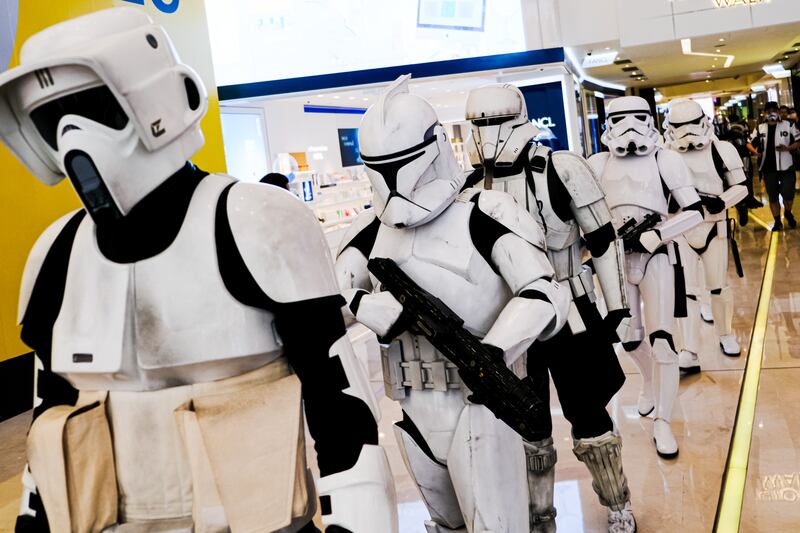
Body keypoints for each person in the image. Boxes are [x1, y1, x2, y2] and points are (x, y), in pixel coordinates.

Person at [1, 9, 397, 532]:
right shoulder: (56, 253)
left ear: (172, 100)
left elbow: (343, 418)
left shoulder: (256, 224)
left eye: (94, 108)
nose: (75, 138)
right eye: (52, 121)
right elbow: (49, 427)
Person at [335, 75, 570, 533]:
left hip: (482, 404)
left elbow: (544, 292)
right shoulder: (368, 234)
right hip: (412, 409)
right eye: (379, 167)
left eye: (402, 164)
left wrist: (494, 353)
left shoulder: (486, 213)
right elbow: (321, 312)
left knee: (497, 526)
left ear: (437, 146)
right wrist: (361, 304)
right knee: (445, 524)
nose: (394, 181)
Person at [464, 83, 635, 533]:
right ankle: (539, 516)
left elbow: (601, 237)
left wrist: (615, 306)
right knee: (527, 425)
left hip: (570, 311)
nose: (487, 133)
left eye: (495, 121)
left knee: (590, 417)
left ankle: (617, 503)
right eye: (478, 123)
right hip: (513, 320)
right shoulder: (470, 186)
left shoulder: (560, 168)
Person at [588, 96, 703, 459]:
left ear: (650, 119)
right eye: (620, 119)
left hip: (656, 256)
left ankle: (664, 422)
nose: (630, 127)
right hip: (614, 259)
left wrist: (658, 235)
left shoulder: (664, 159)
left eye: (638, 118)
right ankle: (651, 382)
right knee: (627, 336)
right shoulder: (596, 163)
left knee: (663, 341)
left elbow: (696, 211)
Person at [663, 99, 748, 371]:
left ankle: (725, 334)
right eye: (680, 126)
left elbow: (741, 186)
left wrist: (721, 201)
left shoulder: (721, 150)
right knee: (686, 292)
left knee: (718, 286)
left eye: (691, 125)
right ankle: (689, 348)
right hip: (680, 230)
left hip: (714, 226)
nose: (687, 132)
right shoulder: (663, 154)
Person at [747, 101, 800, 231]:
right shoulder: (760, 128)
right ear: (765, 113)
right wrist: (755, 152)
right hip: (768, 167)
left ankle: (788, 212)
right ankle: (777, 221)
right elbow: (748, 143)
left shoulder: (789, 125)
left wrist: (787, 148)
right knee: (773, 196)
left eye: (774, 110)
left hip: (786, 166)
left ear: (778, 112)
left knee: (788, 194)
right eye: (769, 111)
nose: (772, 113)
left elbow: (798, 142)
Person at [727, 115, 761, 226]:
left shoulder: (738, 135)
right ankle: (741, 205)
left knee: (742, 184)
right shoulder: (722, 138)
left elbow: (746, 147)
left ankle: (743, 204)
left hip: (740, 162)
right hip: (732, 163)